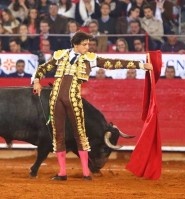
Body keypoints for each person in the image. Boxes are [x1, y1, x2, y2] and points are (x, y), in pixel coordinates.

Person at [32, 31, 152, 181]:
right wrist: (37, 81)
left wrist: (140, 65)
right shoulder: (59, 55)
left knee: (80, 134)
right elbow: (42, 68)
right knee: (58, 135)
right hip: (55, 99)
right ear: (75, 45)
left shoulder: (90, 58)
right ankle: (62, 172)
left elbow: (114, 63)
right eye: (84, 44)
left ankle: (86, 172)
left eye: (88, 44)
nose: (87, 47)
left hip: (74, 100)